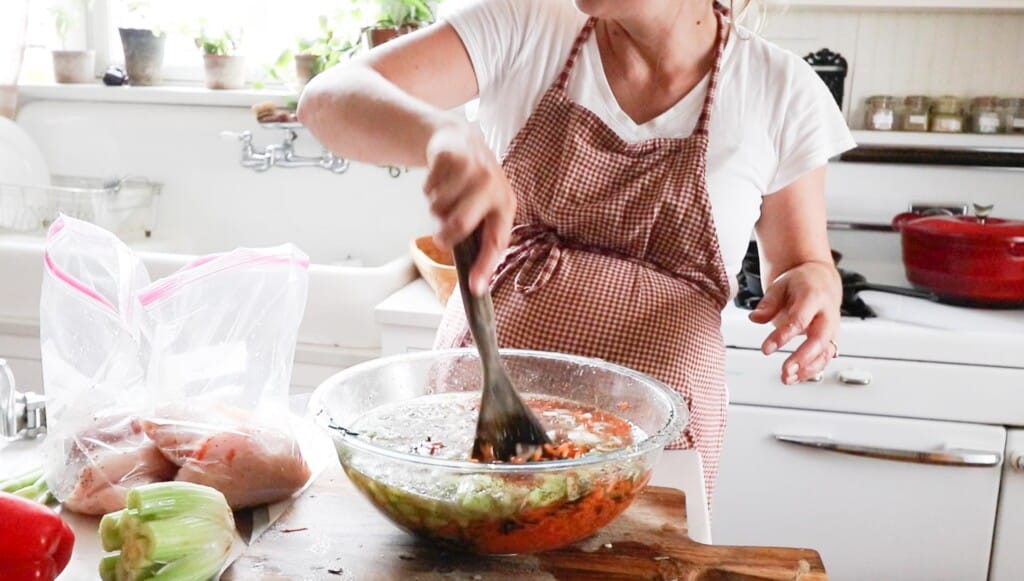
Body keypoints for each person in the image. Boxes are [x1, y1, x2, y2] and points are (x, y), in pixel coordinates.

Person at [298, 0, 854, 504]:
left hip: (662, 442)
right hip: (485, 406)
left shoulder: (782, 90)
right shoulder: (526, 23)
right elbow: (326, 99)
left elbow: (807, 262)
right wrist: (440, 135)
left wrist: (813, 286)